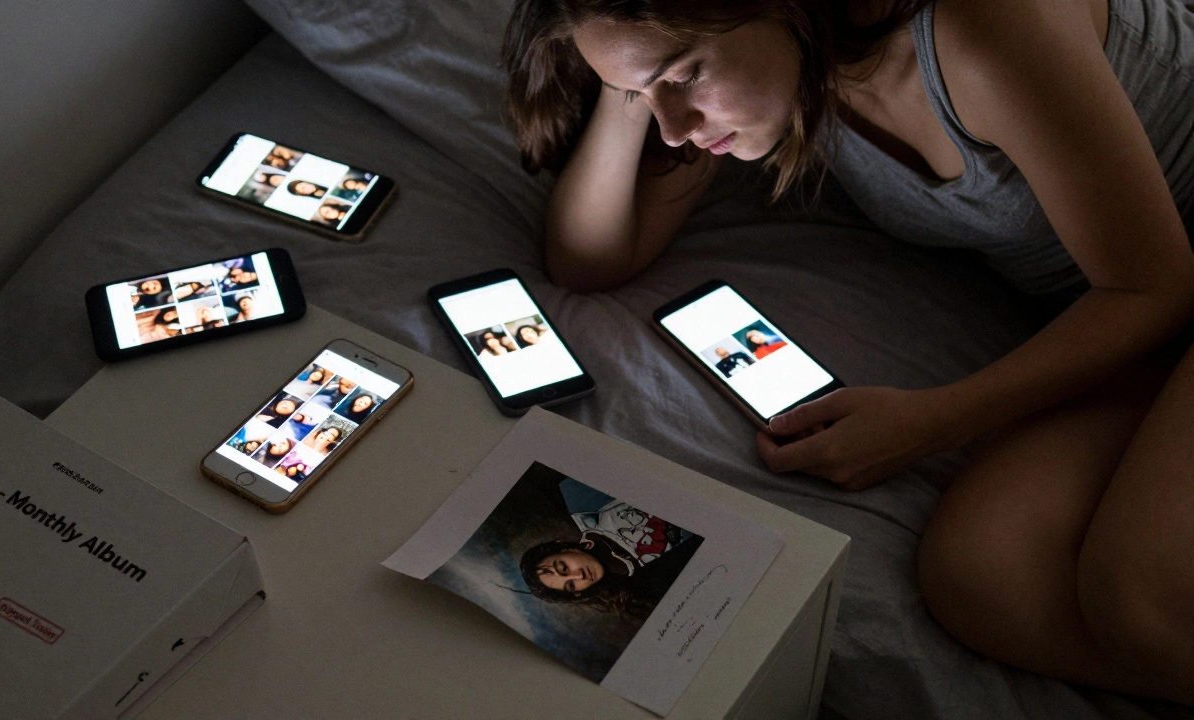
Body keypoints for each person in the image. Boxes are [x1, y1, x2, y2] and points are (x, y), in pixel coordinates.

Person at [503, 0, 1194, 703]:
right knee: (981, 579)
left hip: (1153, 290)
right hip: (1133, 319)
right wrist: (633, 80)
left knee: (1137, 597)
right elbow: (588, 262)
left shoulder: (985, 28)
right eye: (644, 96)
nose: (673, 127)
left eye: (684, 75)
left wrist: (934, 421)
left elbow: (1154, 286)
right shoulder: (785, 72)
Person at [518, 479, 702, 621]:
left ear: (565, 549)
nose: (579, 576)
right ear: (578, 593)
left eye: (564, 568)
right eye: (571, 585)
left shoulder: (580, 495)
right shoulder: (644, 594)